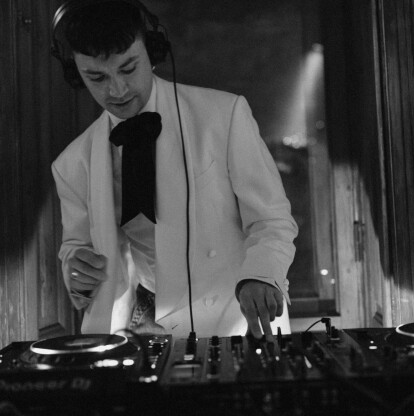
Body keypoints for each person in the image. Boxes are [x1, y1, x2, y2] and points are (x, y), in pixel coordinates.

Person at [50, 0, 298, 341]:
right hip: (139, 324)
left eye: (128, 68)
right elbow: (75, 250)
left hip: (233, 316)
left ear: (152, 53)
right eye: (97, 77)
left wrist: (261, 276)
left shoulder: (224, 115)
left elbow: (272, 220)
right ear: (75, 73)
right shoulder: (71, 164)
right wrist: (76, 271)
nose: (117, 90)